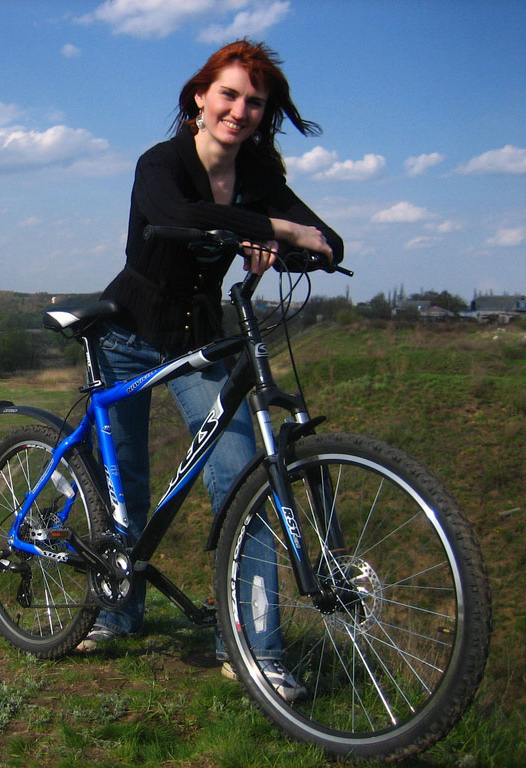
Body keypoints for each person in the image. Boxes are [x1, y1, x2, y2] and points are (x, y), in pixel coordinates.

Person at [76, 40, 343, 701]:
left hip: (197, 341)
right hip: (124, 334)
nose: (240, 110)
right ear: (200, 96)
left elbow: (325, 238)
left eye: (255, 102)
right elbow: (178, 216)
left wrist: (295, 241)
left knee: (244, 479)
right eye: (229, 94)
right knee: (125, 488)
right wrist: (274, 228)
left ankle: (253, 652)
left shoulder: (255, 173)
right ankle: (117, 614)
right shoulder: (160, 163)